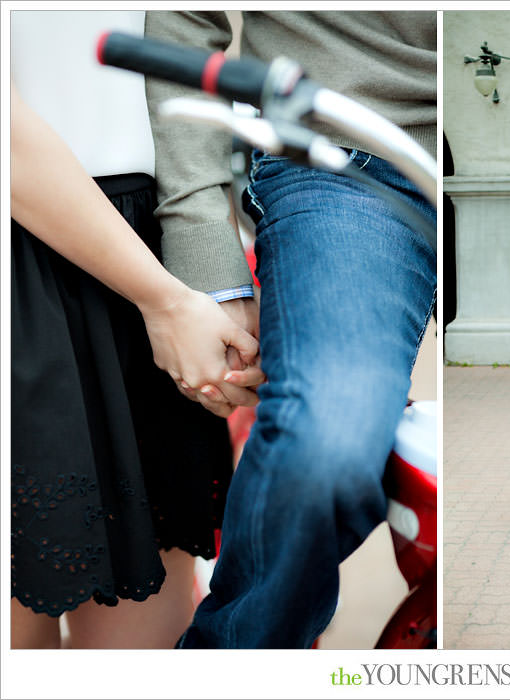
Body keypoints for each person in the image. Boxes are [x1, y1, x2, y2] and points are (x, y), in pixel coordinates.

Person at [142, 10, 437, 648]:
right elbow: (183, 16)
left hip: (449, 160)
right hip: (352, 165)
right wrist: (208, 262)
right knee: (322, 446)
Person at [10, 10, 263, 648]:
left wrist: (211, 280)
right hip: (41, 259)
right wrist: (169, 302)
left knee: (144, 647)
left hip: (139, 248)